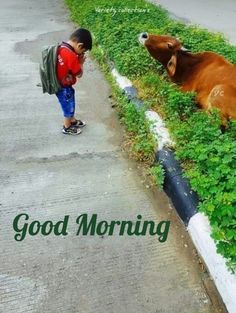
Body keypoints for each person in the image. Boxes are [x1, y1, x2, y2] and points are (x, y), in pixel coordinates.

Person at [56, 28, 92, 135]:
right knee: (68, 105)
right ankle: (67, 127)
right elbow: (79, 74)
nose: (82, 53)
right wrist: (80, 62)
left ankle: (72, 120)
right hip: (64, 87)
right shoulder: (71, 55)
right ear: (79, 45)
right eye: (83, 51)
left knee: (69, 102)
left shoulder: (61, 47)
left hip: (59, 84)